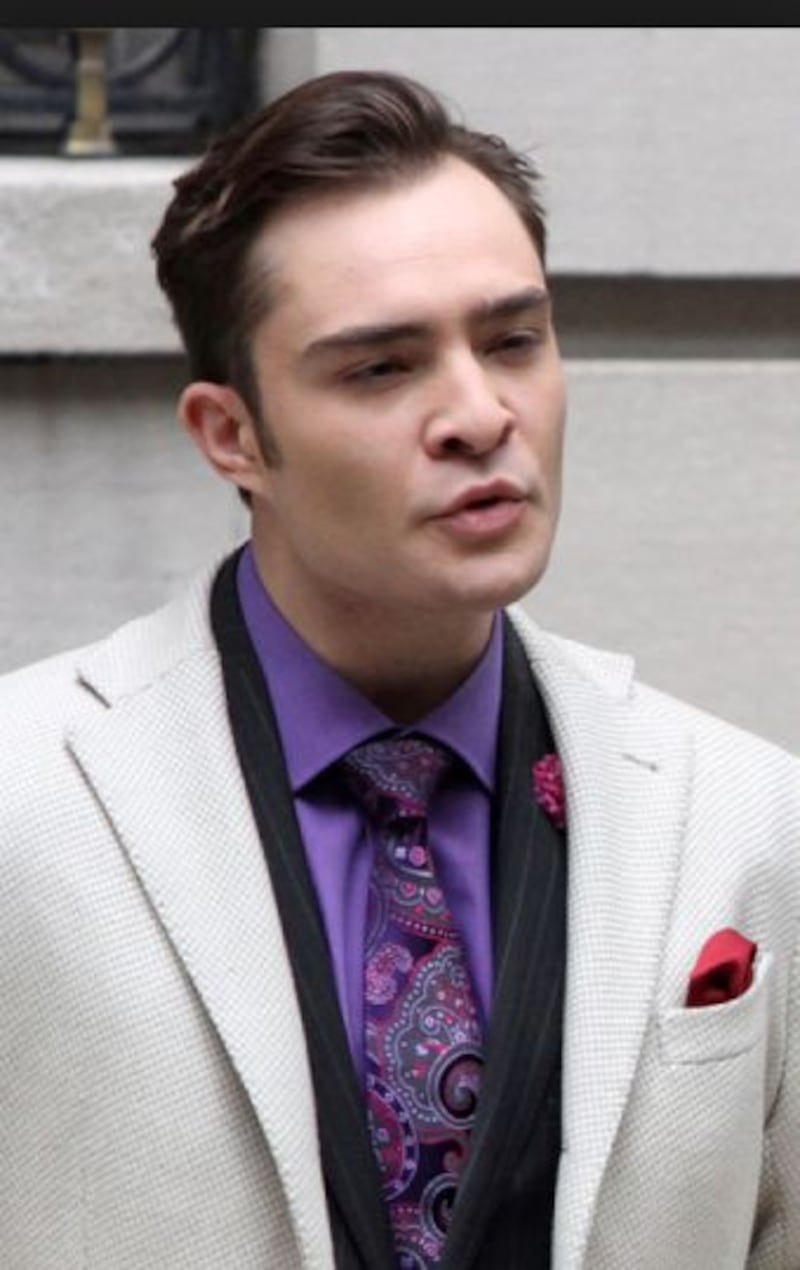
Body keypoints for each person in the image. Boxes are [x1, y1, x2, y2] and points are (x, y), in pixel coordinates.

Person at [1, 68, 798, 1270]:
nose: (479, 414)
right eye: (380, 367)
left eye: (513, 340)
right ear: (232, 435)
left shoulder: (745, 819)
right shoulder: (24, 803)